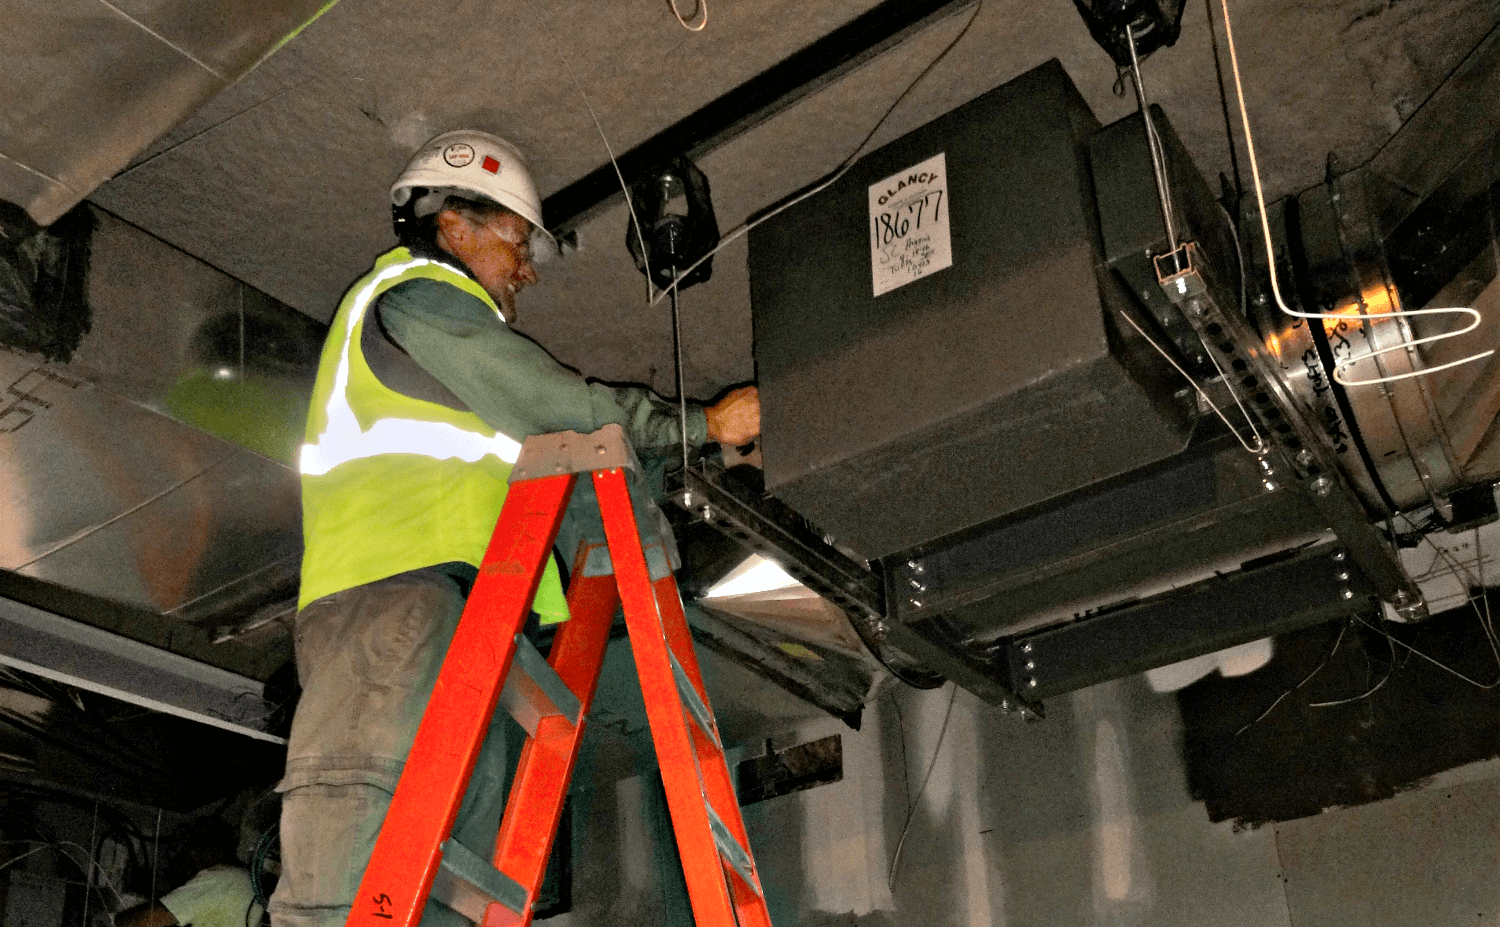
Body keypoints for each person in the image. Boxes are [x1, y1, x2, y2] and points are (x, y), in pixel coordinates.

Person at [269, 130, 759, 927]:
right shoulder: (414, 295)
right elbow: (557, 404)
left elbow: (565, 459)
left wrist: (704, 458)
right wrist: (701, 422)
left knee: (440, 888)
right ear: (453, 224)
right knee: (352, 881)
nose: (526, 267)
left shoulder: (451, 362)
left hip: (467, 632)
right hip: (393, 608)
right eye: (516, 239)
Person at [116, 822, 263, 927]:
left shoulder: (219, 878)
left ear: (194, 854)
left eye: (183, 861)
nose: (187, 874)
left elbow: (141, 921)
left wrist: (111, 919)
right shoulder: (245, 878)